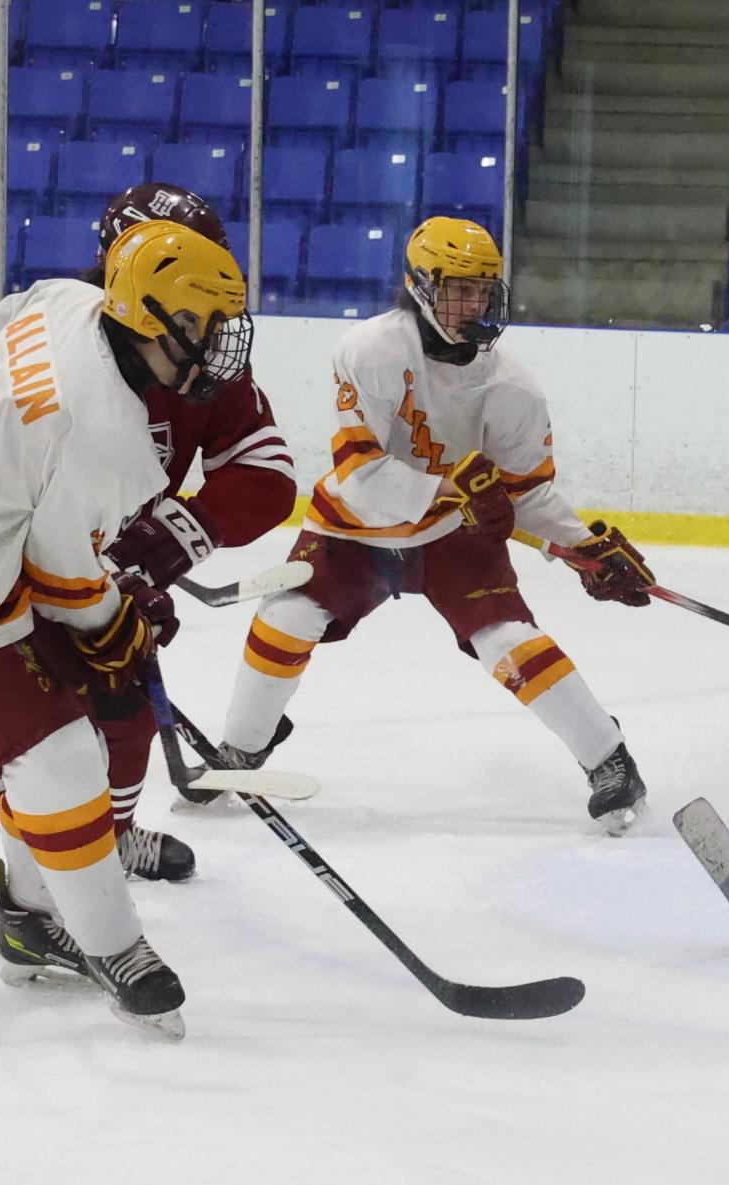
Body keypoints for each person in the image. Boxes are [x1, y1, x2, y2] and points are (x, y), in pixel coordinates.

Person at [0, 218, 255, 1037]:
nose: (219, 347)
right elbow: (67, 585)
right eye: (206, 326)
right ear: (154, 318)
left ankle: (31, 919)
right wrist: (118, 624)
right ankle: (112, 947)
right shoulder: (104, 435)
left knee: (68, 740)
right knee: (59, 752)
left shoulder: (68, 301)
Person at [0, 182, 297, 890]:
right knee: (19, 735)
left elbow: (268, 476)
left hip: (94, 567)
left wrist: (164, 543)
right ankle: (40, 880)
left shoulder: (197, 350)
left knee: (124, 712)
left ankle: (104, 845)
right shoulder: (56, 318)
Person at [212, 216, 652, 833]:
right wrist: (453, 488)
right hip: (354, 530)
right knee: (286, 618)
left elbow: (525, 491)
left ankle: (610, 759)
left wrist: (583, 546)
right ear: (419, 286)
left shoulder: (513, 386)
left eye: (483, 290)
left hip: (452, 535)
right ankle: (241, 749)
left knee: (506, 639)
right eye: (459, 289)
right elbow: (361, 474)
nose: (474, 304)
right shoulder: (370, 351)